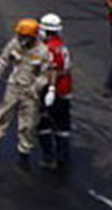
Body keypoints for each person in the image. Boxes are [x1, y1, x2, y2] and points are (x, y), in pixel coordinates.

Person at [0, 18, 52, 170]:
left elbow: (45, 74)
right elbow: (4, 59)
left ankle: (23, 155)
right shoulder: (15, 43)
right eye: (20, 36)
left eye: (24, 37)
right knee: (2, 115)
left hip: (30, 91)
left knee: (27, 124)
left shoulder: (43, 52)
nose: (21, 39)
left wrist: (36, 88)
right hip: (14, 86)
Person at [36, 13, 72, 171]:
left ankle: (49, 157)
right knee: (63, 124)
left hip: (54, 90)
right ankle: (63, 156)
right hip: (66, 88)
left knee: (44, 123)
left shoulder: (49, 48)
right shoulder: (61, 45)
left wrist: (50, 89)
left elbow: (53, 70)